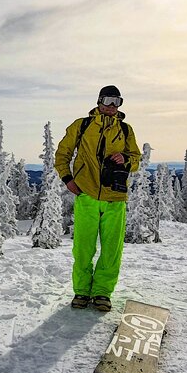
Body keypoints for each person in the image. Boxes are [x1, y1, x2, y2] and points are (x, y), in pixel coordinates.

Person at [54, 85, 142, 312]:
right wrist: (68, 179)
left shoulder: (125, 129)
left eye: (117, 101)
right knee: (83, 247)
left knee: (112, 249)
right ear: (99, 101)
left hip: (116, 196)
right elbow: (62, 153)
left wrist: (125, 158)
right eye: (108, 100)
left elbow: (136, 159)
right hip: (86, 194)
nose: (112, 106)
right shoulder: (82, 125)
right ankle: (82, 291)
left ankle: (102, 292)